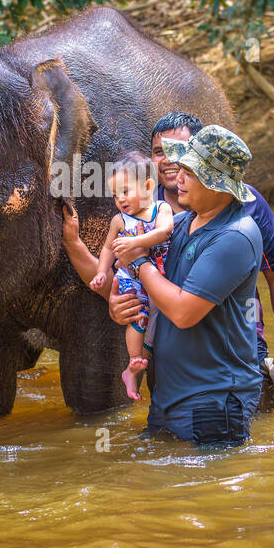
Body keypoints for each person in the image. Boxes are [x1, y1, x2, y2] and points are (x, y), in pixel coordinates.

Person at [62, 111, 274, 408]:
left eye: (182, 153)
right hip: (172, 352)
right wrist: (117, 304)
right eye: (159, 152)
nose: (170, 161)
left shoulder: (244, 209)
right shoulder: (138, 207)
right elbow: (120, 278)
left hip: (236, 347)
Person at [120, 125, 264, 444]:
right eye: (180, 168)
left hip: (214, 401)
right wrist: (120, 305)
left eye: (190, 171)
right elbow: (144, 288)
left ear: (218, 184)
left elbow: (184, 312)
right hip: (168, 399)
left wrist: (140, 262)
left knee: (210, 490)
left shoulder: (234, 236)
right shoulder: (180, 224)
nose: (177, 177)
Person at [83, 152, 174, 400]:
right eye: (115, 194)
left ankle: (144, 357)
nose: (120, 199)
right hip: (130, 279)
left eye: (125, 191)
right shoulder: (119, 221)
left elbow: (165, 232)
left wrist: (136, 242)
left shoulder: (161, 209)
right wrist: (102, 272)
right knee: (139, 315)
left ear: (147, 186)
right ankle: (134, 364)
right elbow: (106, 249)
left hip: (160, 276)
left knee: (159, 314)